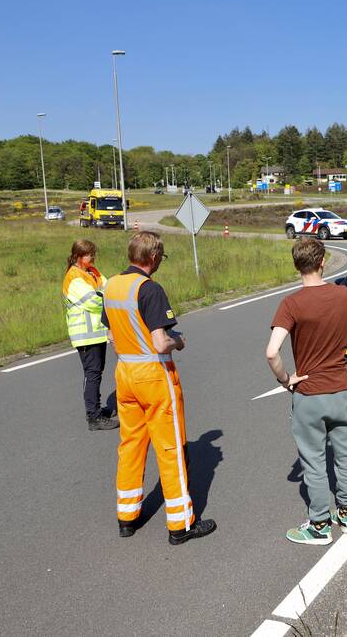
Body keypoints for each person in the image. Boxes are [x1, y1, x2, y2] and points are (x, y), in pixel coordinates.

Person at [101, 231, 216, 545]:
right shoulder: (149, 289)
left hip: (124, 371)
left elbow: (110, 334)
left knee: (131, 444)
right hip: (153, 373)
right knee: (170, 448)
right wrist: (178, 342)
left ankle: (127, 516)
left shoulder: (112, 285)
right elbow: (160, 340)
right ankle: (181, 524)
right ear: (153, 258)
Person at [266, 237, 347, 546]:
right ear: (323, 262)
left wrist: (286, 380)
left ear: (296, 265)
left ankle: (319, 525)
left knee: (314, 461)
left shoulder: (291, 304)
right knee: (344, 454)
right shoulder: (343, 295)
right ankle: (346, 513)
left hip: (309, 392)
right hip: (340, 389)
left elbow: (272, 352)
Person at [62, 239, 118, 431]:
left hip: (97, 333)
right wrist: (104, 294)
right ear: (78, 256)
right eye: (89, 254)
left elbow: (108, 287)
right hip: (85, 335)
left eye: (93, 254)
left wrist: (104, 293)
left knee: (97, 372)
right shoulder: (73, 276)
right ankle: (93, 417)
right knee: (92, 374)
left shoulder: (92, 272)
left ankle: (97, 410)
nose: (92, 257)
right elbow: (93, 301)